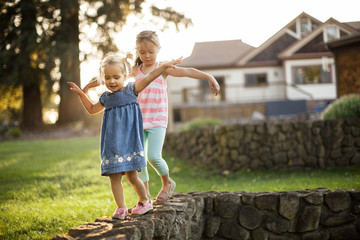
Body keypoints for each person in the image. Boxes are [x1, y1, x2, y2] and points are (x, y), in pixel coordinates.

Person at [84, 30, 220, 204]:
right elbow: (112, 76)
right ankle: (145, 199)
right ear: (137, 52)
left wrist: (208, 76)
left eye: (151, 52)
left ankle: (167, 183)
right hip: (138, 122)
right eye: (142, 52)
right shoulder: (135, 70)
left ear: (158, 49)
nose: (146, 56)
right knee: (139, 161)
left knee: (153, 156)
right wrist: (89, 86)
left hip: (157, 120)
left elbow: (187, 71)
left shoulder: (162, 69)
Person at [68, 53, 182, 220]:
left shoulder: (132, 90)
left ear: (125, 75)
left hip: (129, 142)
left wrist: (164, 67)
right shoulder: (106, 98)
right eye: (107, 78)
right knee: (114, 177)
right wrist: (81, 94)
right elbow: (92, 109)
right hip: (112, 143)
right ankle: (121, 208)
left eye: (116, 77)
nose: (112, 81)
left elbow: (150, 76)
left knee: (131, 176)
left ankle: (144, 200)